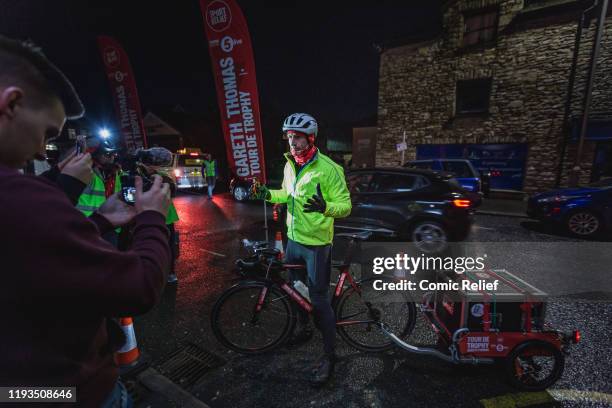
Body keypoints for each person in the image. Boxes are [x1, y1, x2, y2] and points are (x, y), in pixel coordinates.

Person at [0, 35, 171, 407]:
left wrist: (101, 220)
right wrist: (153, 220)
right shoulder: (22, 196)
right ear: (10, 103)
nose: (38, 150)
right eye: (46, 133)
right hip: (66, 393)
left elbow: (31, 255)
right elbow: (139, 287)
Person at [251, 112, 351, 386]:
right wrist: (265, 194)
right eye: (289, 137)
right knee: (294, 289)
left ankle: (330, 356)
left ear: (311, 138)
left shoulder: (329, 168)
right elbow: (286, 194)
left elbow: (346, 205)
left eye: (297, 137)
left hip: (317, 245)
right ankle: (304, 328)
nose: (292, 143)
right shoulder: (289, 165)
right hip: (294, 240)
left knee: (318, 299)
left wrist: (326, 207)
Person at [134, 147, 181, 284]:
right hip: (144, 216)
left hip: (165, 217)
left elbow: (171, 189)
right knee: (148, 244)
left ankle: (170, 272)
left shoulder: (162, 175)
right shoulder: (137, 173)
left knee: (168, 245)